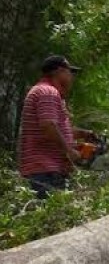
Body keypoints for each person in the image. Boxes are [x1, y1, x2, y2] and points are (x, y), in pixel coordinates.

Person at [17, 55, 95, 198]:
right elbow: (48, 126)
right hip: (45, 171)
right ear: (59, 71)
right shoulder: (48, 92)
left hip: (46, 170)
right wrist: (69, 151)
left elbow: (55, 127)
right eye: (69, 72)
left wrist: (85, 134)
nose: (72, 77)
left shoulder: (45, 92)